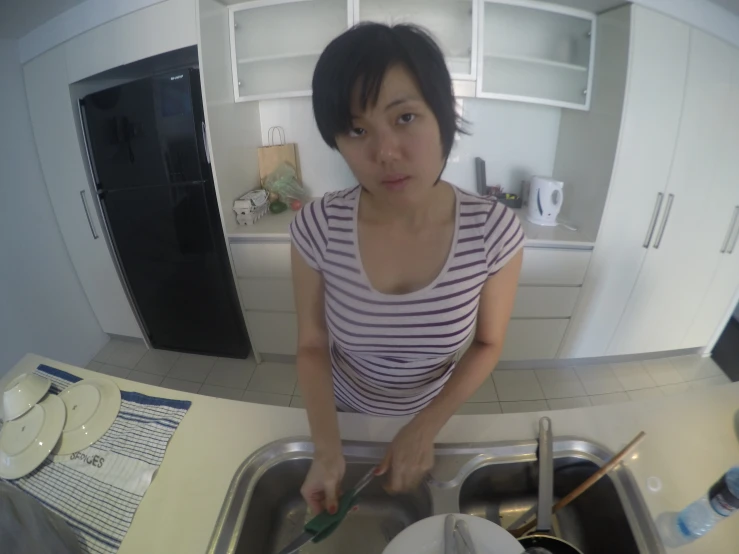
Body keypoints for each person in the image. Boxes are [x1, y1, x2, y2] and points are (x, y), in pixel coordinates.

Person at [289, 22, 525, 517]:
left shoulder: (493, 230)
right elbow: (312, 345)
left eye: (406, 117)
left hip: (435, 413)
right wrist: (327, 449)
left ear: (444, 115)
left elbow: (488, 343)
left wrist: (424, 425)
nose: (385, 154)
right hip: (345, 414)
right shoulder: (318, 225)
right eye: (357, 130)